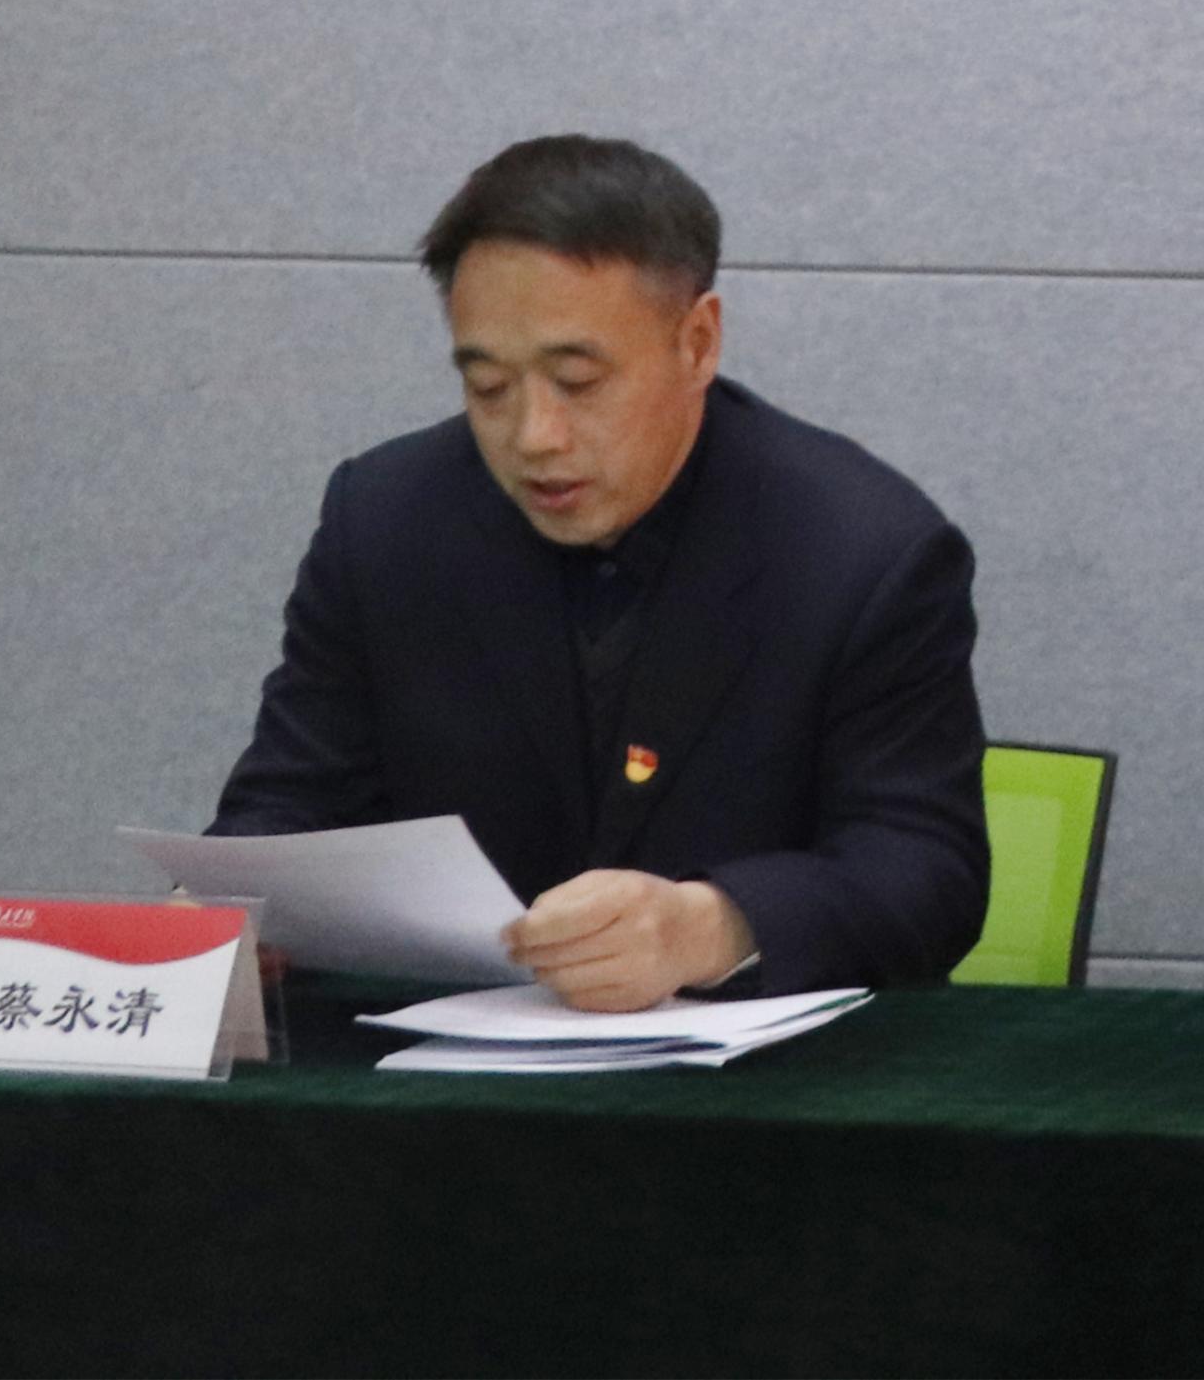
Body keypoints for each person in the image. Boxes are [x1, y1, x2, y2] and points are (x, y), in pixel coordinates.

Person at [215, 136, 990, 1006]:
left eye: (578, 381)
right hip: (441, 1057)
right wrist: (230, 907)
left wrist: (713, 924)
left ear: (697, 342)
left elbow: (927, 872)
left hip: (753, 1068)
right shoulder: (387, 520)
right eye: (490, 387)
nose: (534, 436)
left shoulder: (862, 552)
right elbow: (289, 801)